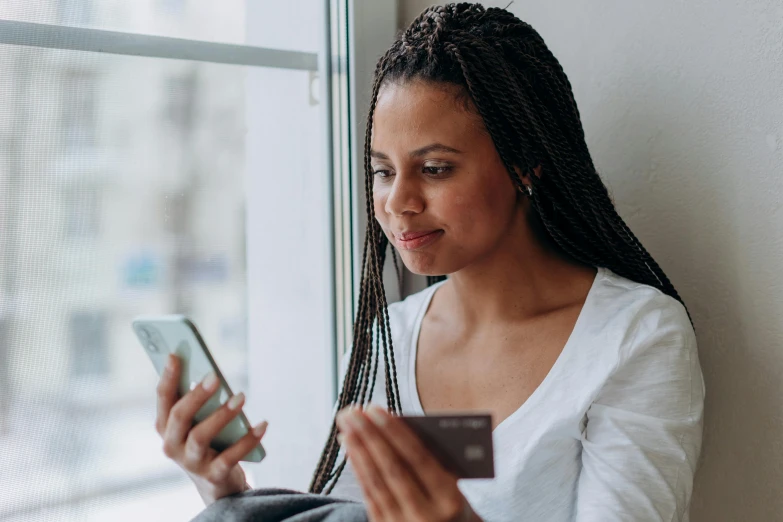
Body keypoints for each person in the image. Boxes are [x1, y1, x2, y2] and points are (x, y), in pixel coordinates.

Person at [154, 4, 705, 521]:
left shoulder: (635, 337)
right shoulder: (389, 339)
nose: (397, 203)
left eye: (435, 168)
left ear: (526, 166)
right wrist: (226, 493)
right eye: (383, 171)